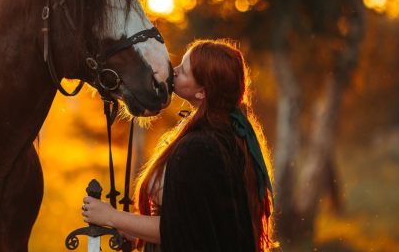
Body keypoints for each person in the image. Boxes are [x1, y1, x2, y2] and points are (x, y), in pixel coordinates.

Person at [81, 39, 278, 251]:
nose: (173, 71)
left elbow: (178, 229)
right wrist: (135, 229)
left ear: (202, 91)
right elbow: (201, 225)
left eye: (183, 70)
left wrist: (111, 217)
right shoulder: (225, 136)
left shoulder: (201, 148)